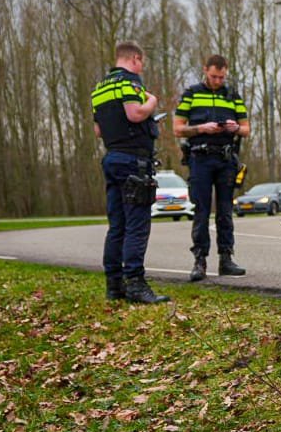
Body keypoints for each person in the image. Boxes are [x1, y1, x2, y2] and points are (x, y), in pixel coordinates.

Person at [91, 40, 170, 304]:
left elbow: (98, 130)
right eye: (142, 62)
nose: (141, 67)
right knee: (137, 224)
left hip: (112, 158)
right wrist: (153, 102)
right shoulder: (130, 83)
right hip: (133, 162)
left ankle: (114, 286)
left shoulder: (99, 88)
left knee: (117, 226)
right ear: (135, 58)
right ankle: (135, 283)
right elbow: (135, 113)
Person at [174, 54, 250, 281]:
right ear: (205, 70)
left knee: (225, 212)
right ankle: (200, 261)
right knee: (202, 211)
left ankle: (226, 259)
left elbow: (246, 129)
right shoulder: (192, 94)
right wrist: (201, 129)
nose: (218, 81)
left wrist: (235, 127)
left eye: (222, 77)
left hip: (226, 160)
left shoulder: (233, 96)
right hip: (200, 159)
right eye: (214, 76)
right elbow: (178, 128)